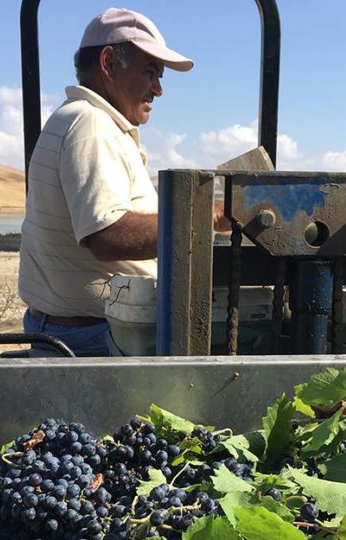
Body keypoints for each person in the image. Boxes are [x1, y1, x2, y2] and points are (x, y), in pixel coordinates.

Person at [19, 7, 210, 356]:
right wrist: (205, 218)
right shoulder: (89, 124)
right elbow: (107, 236)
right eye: (151, 72)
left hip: (80, 331)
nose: (159, 89)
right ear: (108, 63)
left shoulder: (90, 122)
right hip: (90, 340)